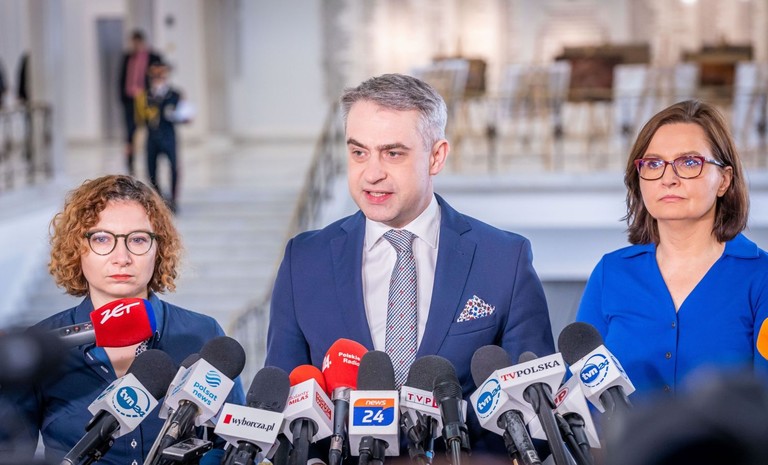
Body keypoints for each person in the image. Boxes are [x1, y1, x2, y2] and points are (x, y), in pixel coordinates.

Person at [264, 73, 554, 454]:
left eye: (393, 153)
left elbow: (537, 421)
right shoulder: (303, 262)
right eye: (359, 152)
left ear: (436, 156)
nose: (372, 173)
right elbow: (281, 414)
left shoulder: (504, 259)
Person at [3, 175, 244, 464]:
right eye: (102, 238)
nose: (122, 257)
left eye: (138, 239)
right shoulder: (39, 350)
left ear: (159, 248)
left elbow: (230, 445)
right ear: (77, 248)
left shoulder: (202, 334)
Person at [576, 100, 768, 397]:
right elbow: (579, 394)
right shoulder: (610, 273)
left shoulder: (760, 277)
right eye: (653, 164)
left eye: (689, 162)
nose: (668, 179)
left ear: (724, 180)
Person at [135, 60, 185, 214]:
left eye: (161, 74)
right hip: (152, 137)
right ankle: (159, 197)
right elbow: (140, 118)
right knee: (151, 169)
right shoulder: (145, 96)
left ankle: (173, 199)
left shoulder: (175, 95)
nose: (157, 77)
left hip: (168, 136)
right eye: (154, 74)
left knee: (174, 167)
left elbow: (183, 113)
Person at [119, 30, 162, 175]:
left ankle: (151, 163)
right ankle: (130, 164)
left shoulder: (153, 57)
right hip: (130, 100)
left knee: (151, 131)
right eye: (133, 43)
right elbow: (121, 79)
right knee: (130, 133)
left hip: (147, 100)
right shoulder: (127, 57)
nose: (135, 46)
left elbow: (159, 76)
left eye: (138, 43)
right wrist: (123, 98)